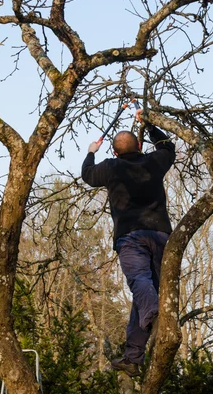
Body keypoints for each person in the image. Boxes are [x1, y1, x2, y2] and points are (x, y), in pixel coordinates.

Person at [81, 119, 175, 377]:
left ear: (115, 152)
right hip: (160, 236)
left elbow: (88, 175)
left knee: (139, 281)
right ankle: (133, 357)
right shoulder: (154, 162)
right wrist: (150, 123)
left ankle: (154, 315)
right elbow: (168, 148)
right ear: (141, 146)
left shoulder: (112, 166)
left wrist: (91, 151)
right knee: (144, 293)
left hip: (131, 236)